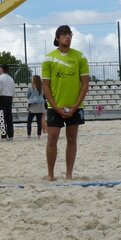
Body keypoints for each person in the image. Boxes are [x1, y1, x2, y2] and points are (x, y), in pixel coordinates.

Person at [42, 25, 90, 181]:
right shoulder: (49, 58)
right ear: (57, 38)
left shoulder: (80, 57)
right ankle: (51, 174)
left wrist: (75, 106)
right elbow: (46, 86)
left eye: (69, 34)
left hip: (75, 106)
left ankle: (69, 173)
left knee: (72, 138)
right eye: (64, 34)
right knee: (52, 138)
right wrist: (55, 107)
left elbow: (85, 84)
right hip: (55, 106)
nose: (67, 37)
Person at [0, 64, 15, 140]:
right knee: (9, 117)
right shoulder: (11, 79)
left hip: (2, 98)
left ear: (2, 69)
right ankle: (11, 135)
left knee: (1, 116)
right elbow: (13, 92)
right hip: (9, 98)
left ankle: (4, 135)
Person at [26, 75, 45, 139]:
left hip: (33, 106)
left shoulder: (31, 88)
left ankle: (29, 135)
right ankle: (38, 135)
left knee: (29, 121)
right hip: (40, 106)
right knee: (39, 121)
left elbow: (27, 96)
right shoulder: (42, 87)